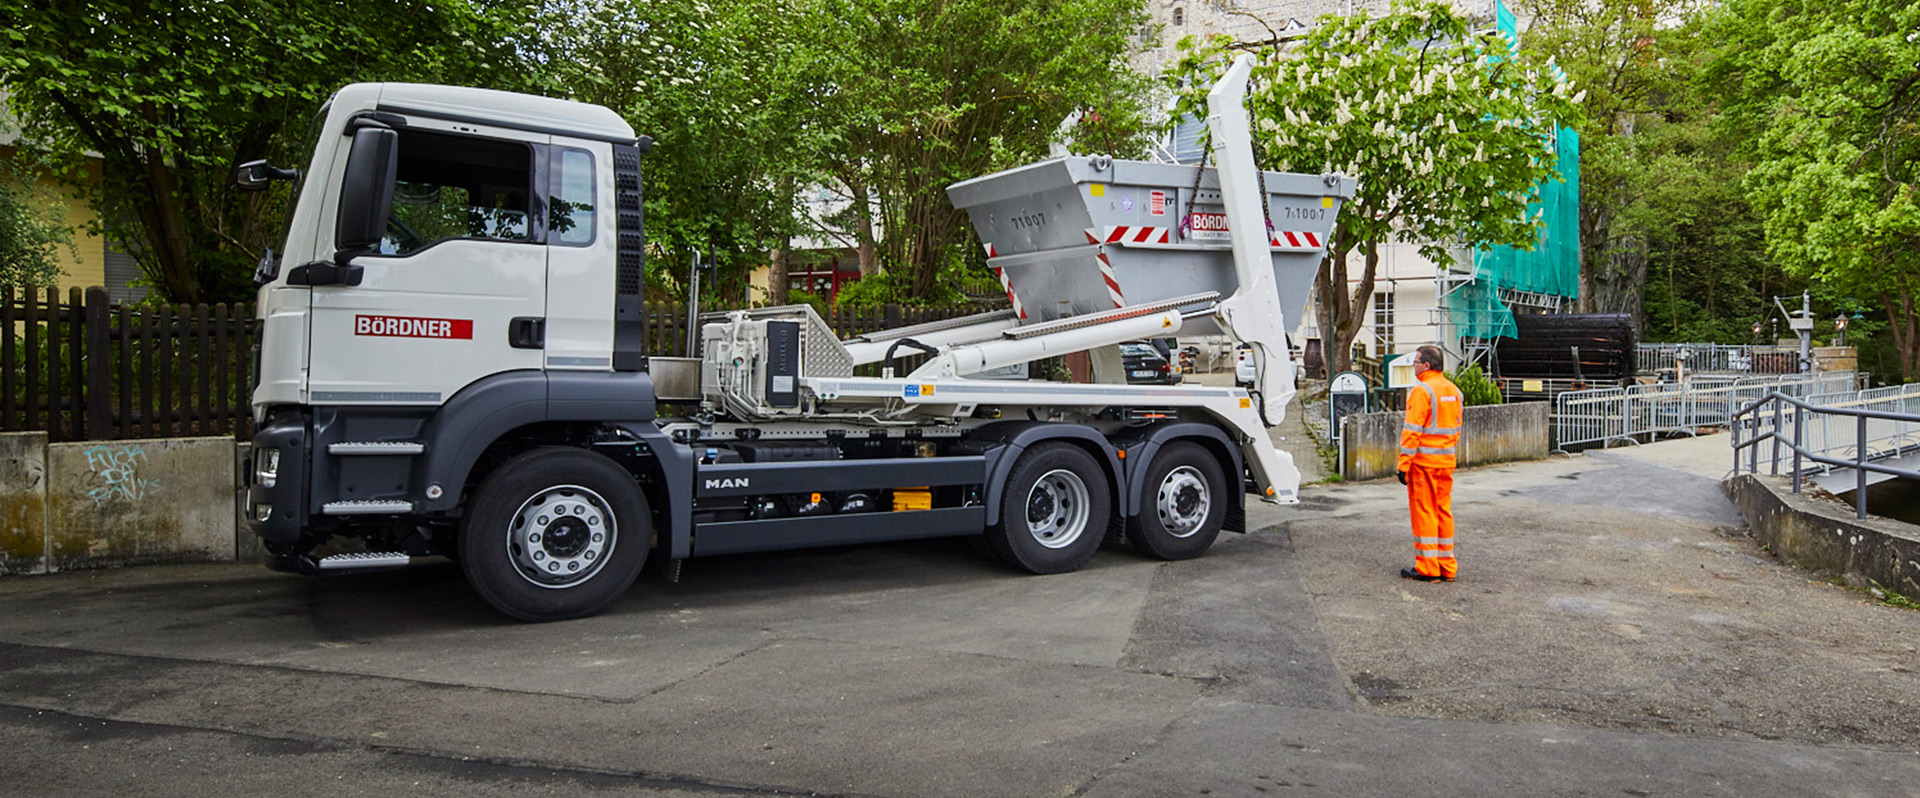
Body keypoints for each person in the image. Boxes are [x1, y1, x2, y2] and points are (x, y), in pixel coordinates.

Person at [1397, 345, 1463, 582]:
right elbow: (1456, 430)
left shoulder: (1422, 391)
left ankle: (1427, 567)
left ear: (1426, 365)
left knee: (1424, 512)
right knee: (1442, 511)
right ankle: (1447, 566)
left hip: (1424, 464)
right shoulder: (1454, 391)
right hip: (1446, 461)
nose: (1413, 365)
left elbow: (1412, 431)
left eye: (1415, 361)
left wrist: (1404, 464)